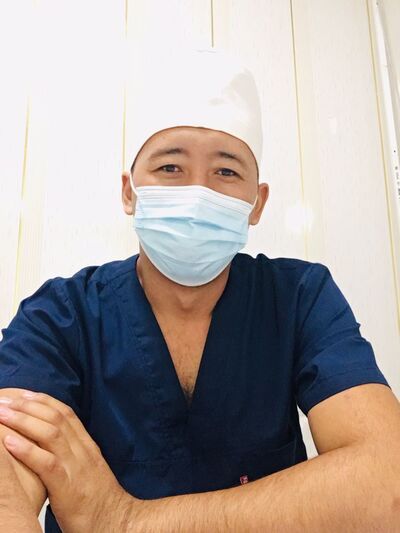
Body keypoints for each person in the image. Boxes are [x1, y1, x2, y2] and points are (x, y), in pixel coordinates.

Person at [0, 47, 391, 532]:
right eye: (170, 168)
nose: (198, 193)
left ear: (256, 203)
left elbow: (387, 485)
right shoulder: (61, 317)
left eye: (226, 172)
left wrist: (125, 521)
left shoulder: (299, 299)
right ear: (129, 192)